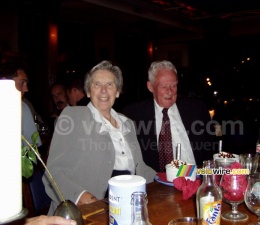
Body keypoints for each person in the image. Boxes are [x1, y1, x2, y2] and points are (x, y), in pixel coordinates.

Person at [43, 60, 156, 215]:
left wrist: (170, 178)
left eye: (110, 85)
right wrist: (84, 198)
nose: (104, 90)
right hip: (84, 211)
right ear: (88, 91)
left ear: (117, 91)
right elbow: (53, 173)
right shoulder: (73, 116)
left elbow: (140, 168)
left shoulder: (127, 123)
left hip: (127, 204)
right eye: (97, 84)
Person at [123, 60, 215, 172]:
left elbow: (211, 151)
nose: (170, 91)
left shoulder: (197, 110)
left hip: (196, 178)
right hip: (156, 186)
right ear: (150, 86)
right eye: (163, 86)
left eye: (173, 85)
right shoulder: (133, 115)